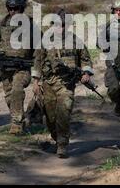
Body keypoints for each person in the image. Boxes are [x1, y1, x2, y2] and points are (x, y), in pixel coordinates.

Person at [32, 9, 93, 158]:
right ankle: (56, 136)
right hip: (48, 83)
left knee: (64, 112)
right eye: (58, 24)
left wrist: (86, 74)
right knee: (51, 117)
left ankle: (62, 143)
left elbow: (85, 59)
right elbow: (37, 61)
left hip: (66, 83)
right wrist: (35, 81)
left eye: (64, 25)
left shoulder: (76, 41)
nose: (61, 28)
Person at [0, 0, 35, 135]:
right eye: (9, 8)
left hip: (22, 67)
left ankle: (16, 124)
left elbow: (41, 47)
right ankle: (21, 119)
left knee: (17, 90)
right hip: (5, 66)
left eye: (16, 9)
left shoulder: (30, 25)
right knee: (9, 95)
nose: (12, 11)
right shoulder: (3, 23)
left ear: (22, 8)